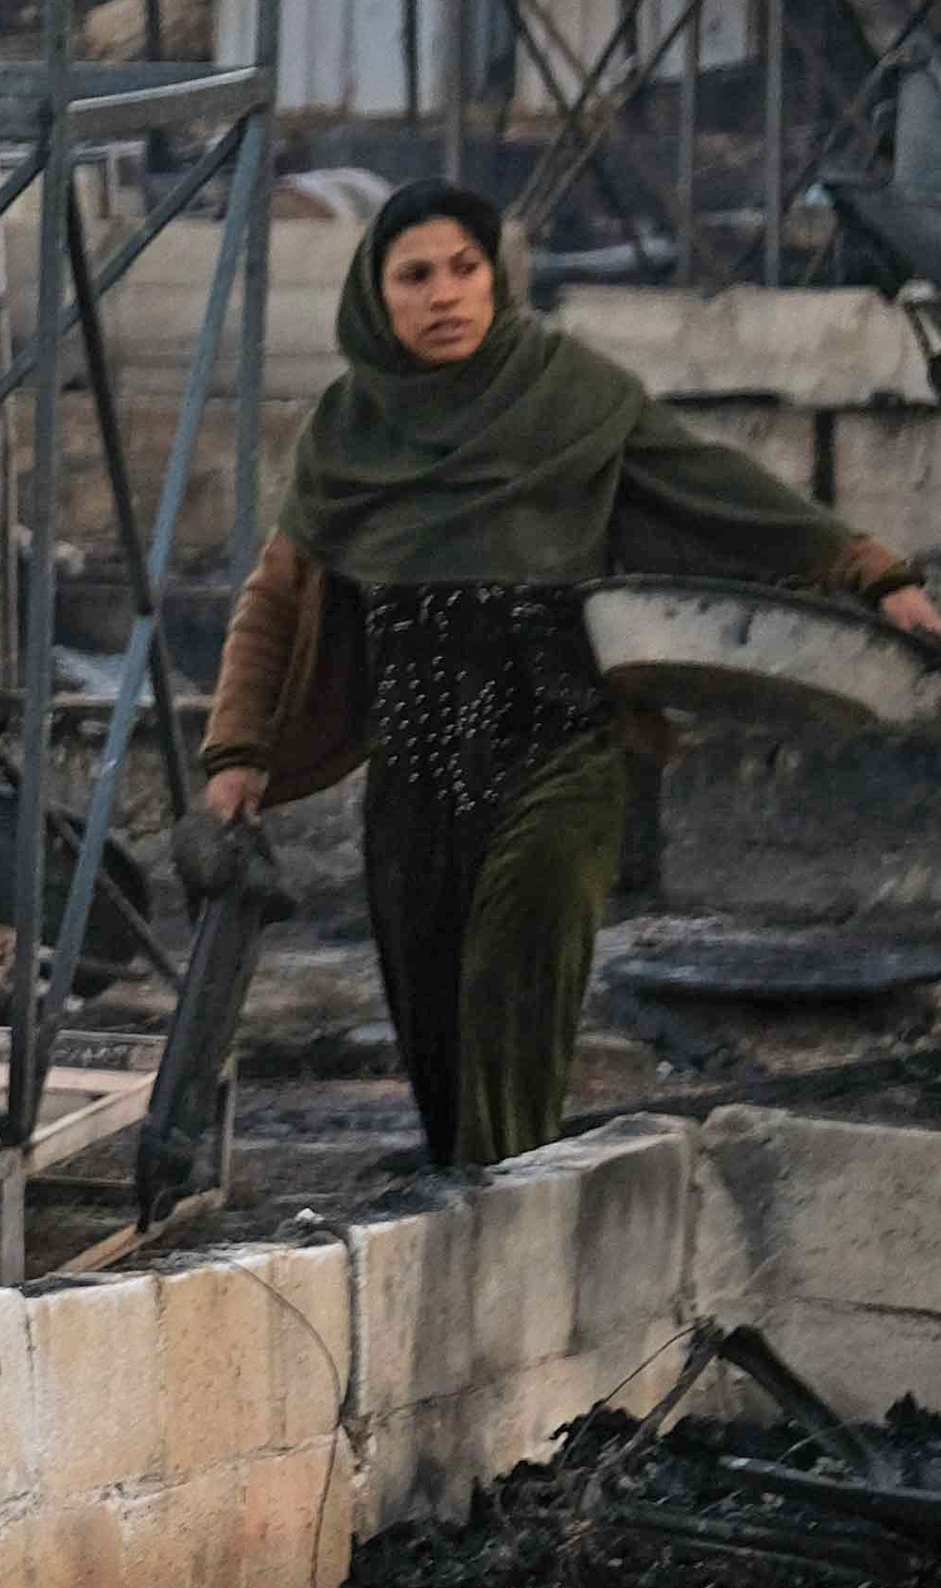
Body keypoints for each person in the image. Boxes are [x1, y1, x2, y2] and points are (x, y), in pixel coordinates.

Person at [204, 180, 941, 1167]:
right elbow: (275, 603)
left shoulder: (573, 396)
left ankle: (504, 1251)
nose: (445, 295)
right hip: (413, 793)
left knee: (509, 1006)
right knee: (440, 1058)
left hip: (560, 758)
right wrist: (237, 751)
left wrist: (872, 571)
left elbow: (725, 492)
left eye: (465, 269)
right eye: (414, 276)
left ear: (497, 278)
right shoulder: (347, 435)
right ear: (376, 299)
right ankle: (476, 1238)